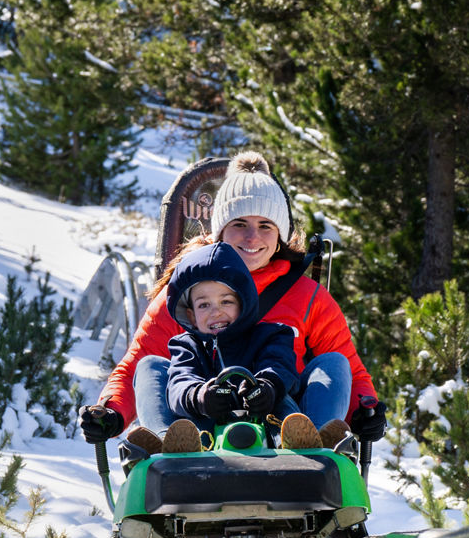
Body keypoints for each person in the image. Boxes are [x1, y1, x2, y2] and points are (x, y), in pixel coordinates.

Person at [79, 150, 386, 449]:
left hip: (279, 418)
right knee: (152, 365)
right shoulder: (188, 289)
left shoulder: (307, 298)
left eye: (265, 226)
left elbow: (349, 370)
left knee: (334, 362)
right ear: (221, 230)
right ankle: (170, 445)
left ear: (279, 234)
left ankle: (312, 443)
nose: (252, 238)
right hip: (200, 418)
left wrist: (364, 412)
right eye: (240, 224)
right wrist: (110, 411)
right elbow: (137, 364)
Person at [125, 240, 330, 454]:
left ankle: (298, 442)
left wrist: (267, 386)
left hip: (267, 425)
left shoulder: (272, 334)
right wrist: (199, 396)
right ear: (191, 315)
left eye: (226, 302)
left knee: (282, 398)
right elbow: (180, 381)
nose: (216, 312)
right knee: (152, 369)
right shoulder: (186, 346)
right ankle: (166, 441)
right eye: (204, 305)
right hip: (205, 438)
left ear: (243, 304)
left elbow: (279, 364)